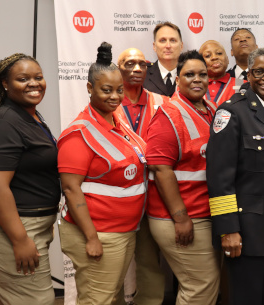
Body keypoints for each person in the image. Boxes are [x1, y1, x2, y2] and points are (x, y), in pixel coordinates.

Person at [0, 53, 60, 305]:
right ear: (5, 84)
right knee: (37, 300)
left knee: (11, 299)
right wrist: (20, 239)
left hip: (27, 224)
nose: (34, 83)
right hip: (5, 229)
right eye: (23, 79)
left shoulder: (30, 116)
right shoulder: (4, 123)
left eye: (38, 77)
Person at [57, 42, 147, 304]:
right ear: (89, 88)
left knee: (110, 297)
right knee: (98, 299)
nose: (115, 97)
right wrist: (91, 237)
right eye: (106, 90)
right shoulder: (78, 134)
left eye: (119, 90)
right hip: (98, 233)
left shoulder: (118, 121)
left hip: (123, 231)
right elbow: (71, 189)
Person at [207, 47, 264, 305]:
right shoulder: (231, 112)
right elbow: (219, 177)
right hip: (246, 233)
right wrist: (228, 230)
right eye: (259, 71)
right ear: (248, 74)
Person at [145, 50, 220, 304]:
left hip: (204, 212)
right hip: (181, 217)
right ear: (177, 80)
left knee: (202, 285)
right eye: (189, 74)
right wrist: (181, 218)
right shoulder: (168, 115)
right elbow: (161, 170)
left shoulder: (210, 109)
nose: (197, 79)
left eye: (202, 74)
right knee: (200, 286)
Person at [113, 47, 168, 305]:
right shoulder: (106, 103)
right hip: (118, 198)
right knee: (112, 264)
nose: (136, 69)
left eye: (142, 64)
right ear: (118, 67)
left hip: (154, 195)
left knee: (149, 261)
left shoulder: (162, 102)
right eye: (129, 63)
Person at [200, 40, 245, 106]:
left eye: (219, 53)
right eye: (208, 55)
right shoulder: (193, 86)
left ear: (227, 59)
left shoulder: (243, 85)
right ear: (200, 63)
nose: (214, 57)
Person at [144, 22, 184, 97]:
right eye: (162, 40)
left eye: (173, 40)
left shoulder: (190, 75)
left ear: (181, 46)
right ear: (154, 46)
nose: (168, 46)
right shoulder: (143, 75)